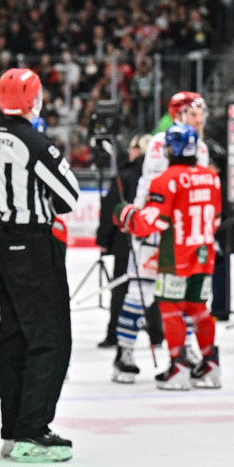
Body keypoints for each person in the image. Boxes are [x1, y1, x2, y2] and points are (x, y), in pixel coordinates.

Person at [0, 68, 80, 462]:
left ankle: (13, 428)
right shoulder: (36, 143)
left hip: (2, 243)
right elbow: (69, 196)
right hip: (34, 247)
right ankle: (33, 432)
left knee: (14, 336)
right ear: (33, 100)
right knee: (50, 337)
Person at [114, 124, 223, 389]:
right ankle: (210, 366)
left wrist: (127, 216)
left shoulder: (167, 179)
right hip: (203, 255)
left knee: (170, 309)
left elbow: (154, 221)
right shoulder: (211, 177)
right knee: (198, 309)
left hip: (175, 257)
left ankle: (177, 367)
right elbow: (217, 219)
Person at [95, 132, 150, 348]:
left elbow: (112, 208)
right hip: (148, 239)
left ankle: (115, 333)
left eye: (134, 147)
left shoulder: (125, 175)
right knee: (149, 286)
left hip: (124, 241)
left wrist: (103, 239)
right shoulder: (155, 176)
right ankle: (156, 331)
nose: (130, 151)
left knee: (121, 287)